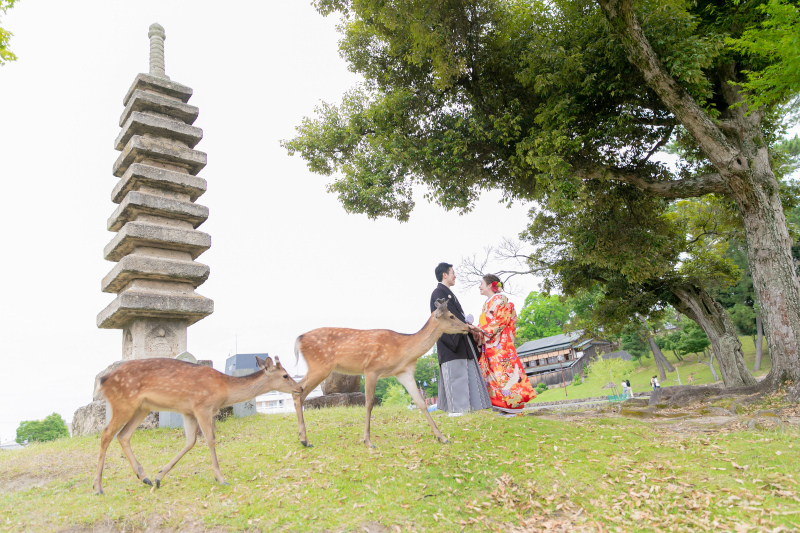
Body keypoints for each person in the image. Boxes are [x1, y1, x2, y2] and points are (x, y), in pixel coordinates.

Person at [430, 263, 491, 416]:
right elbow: (442, 319)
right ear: (445, 274)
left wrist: (467, 325)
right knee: (456, 377)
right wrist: (466, 327)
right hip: (451, 342)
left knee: (467, 376)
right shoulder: (438, 292)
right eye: (453, 272)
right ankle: (456, 411)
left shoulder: (448, 293)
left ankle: (467, 410)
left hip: (462, 342)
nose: (455, 275)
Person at [472, 274, 536, 414]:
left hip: (499, 346)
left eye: (481, 283)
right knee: (491, 375)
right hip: (489, 344)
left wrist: (481, 330)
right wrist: (476, 331)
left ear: (490, 285)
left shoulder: (500, 300)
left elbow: (500, 320)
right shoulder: (489, 302)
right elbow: (485, 322)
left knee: (505, 375)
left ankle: (513, 406)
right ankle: (500, 405)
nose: (479, 286)